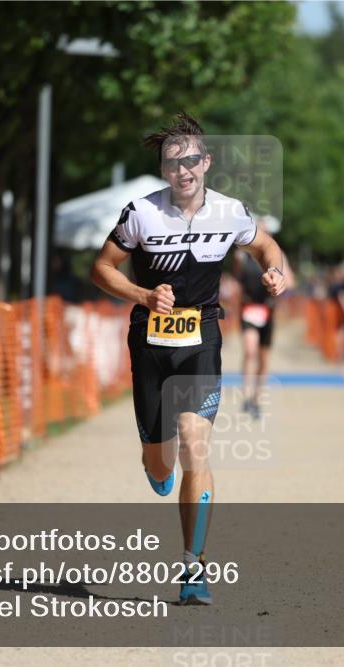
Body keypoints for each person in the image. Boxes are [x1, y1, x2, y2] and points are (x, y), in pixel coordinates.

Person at [89, 112, 286, 605]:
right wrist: (142, 294)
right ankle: (156, 469)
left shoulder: (230, 212)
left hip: (202, 339)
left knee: (195, 447)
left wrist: (274, 270)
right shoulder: (141, 213)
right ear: (164, 169)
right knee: (160, 463)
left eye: (192, 160)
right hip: (150, 344)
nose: (184, 170)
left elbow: (265, 246)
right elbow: (101, 268)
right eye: (174, 163)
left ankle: (193, 568)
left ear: (207, 162)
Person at [233, 217, 293, 417]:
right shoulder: (242, 256)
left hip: (268, 310)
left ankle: (256, 398)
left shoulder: (278, 256)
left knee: (263, 358)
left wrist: (278, 282)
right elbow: (237, 280)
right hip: (249, 309)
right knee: (250, 351)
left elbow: (290, 282)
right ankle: (246, 395)